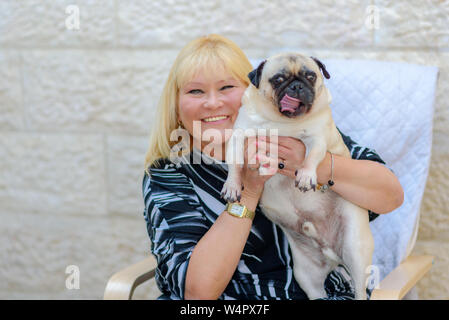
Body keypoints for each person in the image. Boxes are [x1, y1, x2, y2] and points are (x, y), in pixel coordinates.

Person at [142, 34, 404, 300]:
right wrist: (249, 192)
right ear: (176, 104)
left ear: (252, 92)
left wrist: (313, 163)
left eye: (226, 88)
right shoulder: (170, 173)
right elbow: (198, 294)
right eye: (195, 91)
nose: (213, 103)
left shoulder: (300, 132)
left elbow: (390, 197)